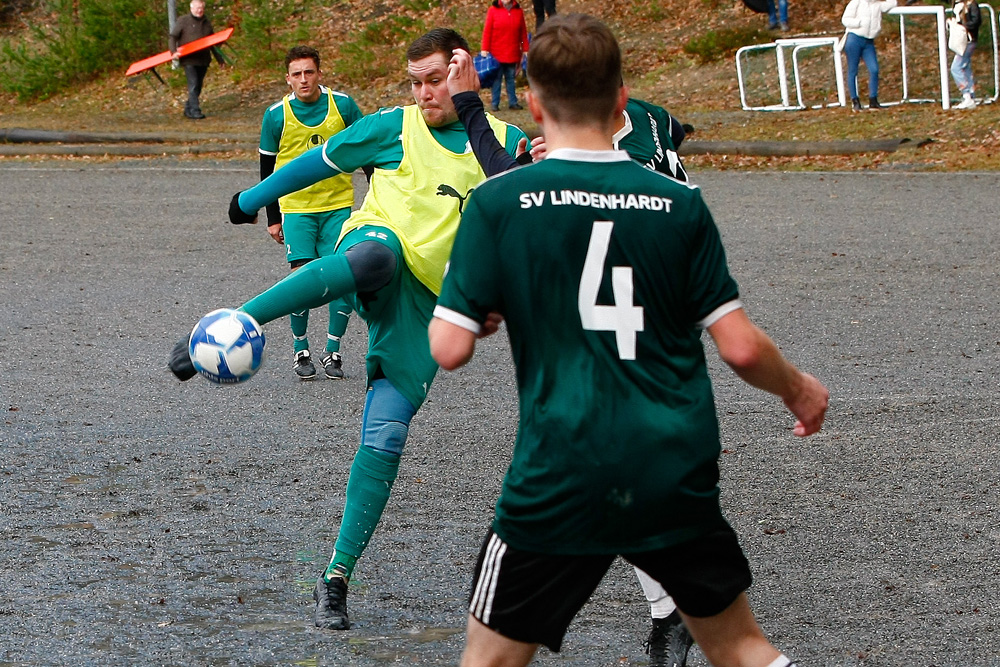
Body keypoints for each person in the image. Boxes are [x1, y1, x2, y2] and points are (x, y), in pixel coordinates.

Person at [428, 13, 829, 667]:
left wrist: (478, 307)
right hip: (672, 467)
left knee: (490, 658)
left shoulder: (498, 203)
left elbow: (448, 347)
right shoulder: (679, 202)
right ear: (621, 102)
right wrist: (801, 390)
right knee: (741, 647)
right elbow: (742, 348)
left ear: (530, 102)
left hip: (561, 467)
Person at [169, 27, 528, 631]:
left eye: (434, 80)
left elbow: (523, 230)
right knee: (373, 258)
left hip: (428, 308)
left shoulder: (506, 147)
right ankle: (237, 321)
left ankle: (335, 577)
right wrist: (252, 197)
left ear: (467, 72)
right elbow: (318, 161)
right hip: (375, 246)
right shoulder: (393, 127)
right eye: (414, 82)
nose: (422, 93)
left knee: (386, 436)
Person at [449, 49, 693, 666]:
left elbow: (509, 185)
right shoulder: (650, 119)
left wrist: (473, 107)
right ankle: (673, 614)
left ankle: (671, 611)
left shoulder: (590, 167)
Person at [256, 46, 364, 380]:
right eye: (297, 74)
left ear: (319, 73)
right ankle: (300, 349)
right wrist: (273, 217)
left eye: (309, 72)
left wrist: (378, 197)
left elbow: (368, 150)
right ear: (288, 79)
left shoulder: (342, 106)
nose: (304, 79)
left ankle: (333, 351)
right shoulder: (276, 115)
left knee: (343, 280)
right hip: (297, 209)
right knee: (301, 280)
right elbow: (267, 170)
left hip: (338, 207)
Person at [169, 0, 226, 120]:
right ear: (191, 8)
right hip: (189, 59)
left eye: (201, 8)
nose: (199, 10)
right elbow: (173, 37)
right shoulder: (183, 21)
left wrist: (220, 60)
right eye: (197, 8)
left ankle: (188, 108)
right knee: (193, 84)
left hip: (203, 59)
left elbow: (213, 43)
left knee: (198, 86)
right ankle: (195, 111)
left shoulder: (207, 23)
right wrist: (173, 52)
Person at [841, 0, 897, 111]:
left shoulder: (878, 5)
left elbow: (892, 3)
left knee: (874, 69)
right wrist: (859, 23)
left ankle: (873, 100)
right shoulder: (856, 2)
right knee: (853, 70)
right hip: (854, 39)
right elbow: (845, 19)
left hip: (869, 41)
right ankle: (855, 101)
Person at [481, 0, 530, 111]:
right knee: (497, 80)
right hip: (496, 53)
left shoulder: (519, 11)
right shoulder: (492, 11)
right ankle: (495, 103)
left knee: (511, 79)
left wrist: (525, 48)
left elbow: (523, 32)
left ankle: (513, 102)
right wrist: (485, 49)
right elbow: (487, 31)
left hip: (512, 53)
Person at [950, 0, 981, 110]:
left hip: (969, 40)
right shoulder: (957, 5)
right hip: (962, 40)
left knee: (956, 67)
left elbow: (976, 21)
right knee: (965, 66)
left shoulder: (971, 5)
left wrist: (962, 26)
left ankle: (966, 94)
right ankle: (971, 95)